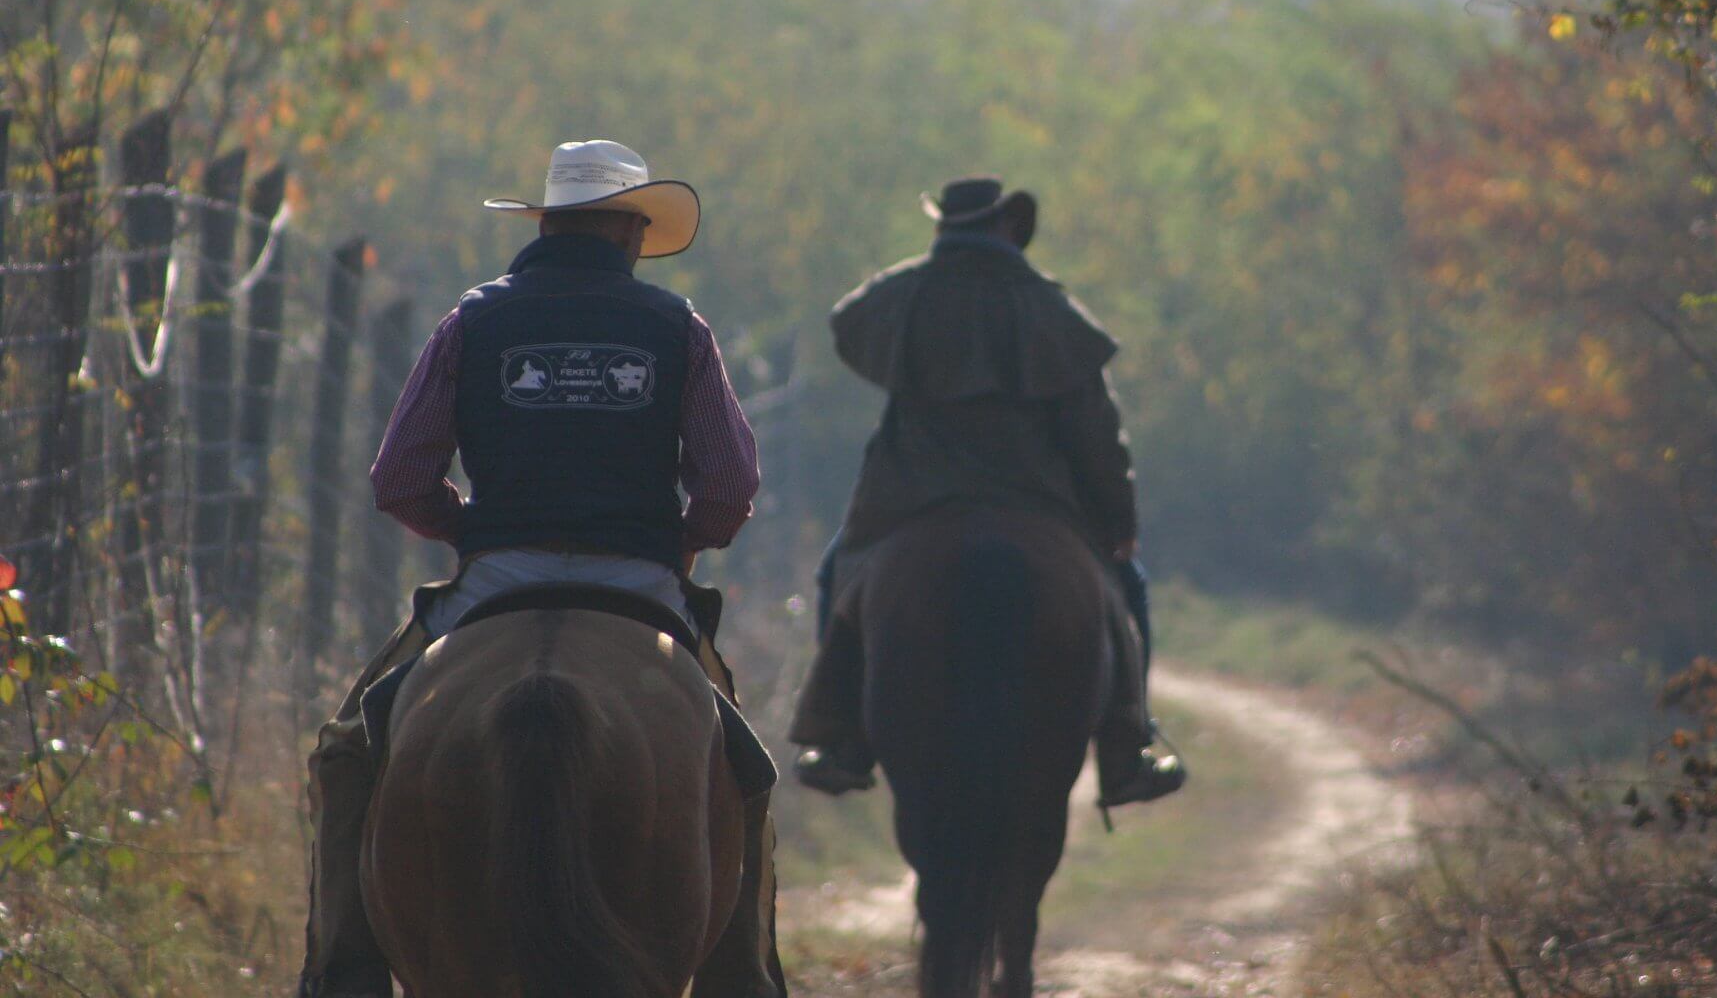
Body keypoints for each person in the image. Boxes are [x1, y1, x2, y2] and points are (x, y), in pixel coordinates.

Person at [297, 140, 786, 998]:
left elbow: (400, 478)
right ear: (633, 231)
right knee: (744, 767)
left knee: (350, 749)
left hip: (496, 581)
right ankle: (744, 975)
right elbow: (731, 486)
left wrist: (470, 533)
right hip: (640, 585)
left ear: (548, 223)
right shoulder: (678, 329)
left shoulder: (473, 322)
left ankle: (342, 970)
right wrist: (680, 543)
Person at [788, 175, 1186, 808]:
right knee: (1126, 586)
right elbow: (1097, 433)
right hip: (1037, 500)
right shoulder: (1048, 309)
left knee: (839, 573)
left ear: (944, 227)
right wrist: (1118, 519)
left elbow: (848, 326)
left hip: (906, 499)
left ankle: (839, 734)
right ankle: (1127, 745)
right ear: (1005, 227)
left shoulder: (899, 297)